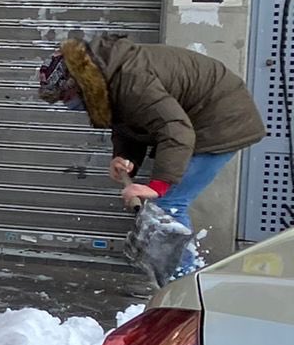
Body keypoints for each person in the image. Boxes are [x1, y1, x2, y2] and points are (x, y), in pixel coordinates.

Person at [38, 31, 266, 273]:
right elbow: (130, 122)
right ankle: (175, 278)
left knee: (167, 204)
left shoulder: (131, 80)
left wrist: (158, 185)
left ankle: (183, 283)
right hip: (194, 121)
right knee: (164, 205)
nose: (67, 104)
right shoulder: (108, 77)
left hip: (221, 120)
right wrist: (126, 158)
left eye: (66, 97)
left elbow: (175, 129)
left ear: (79, 82)